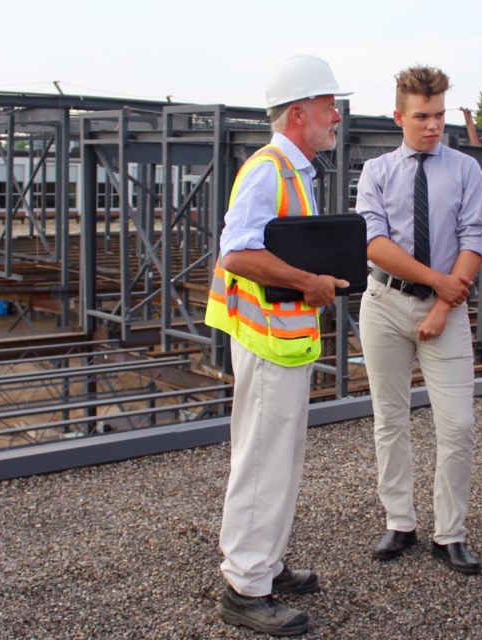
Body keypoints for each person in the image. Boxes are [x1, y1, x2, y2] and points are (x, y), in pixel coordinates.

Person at [204, 54, 351, 636]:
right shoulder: (269, 169)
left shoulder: (296, 170)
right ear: (298, 113)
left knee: (279, 458)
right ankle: (245, 586)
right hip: (267, 343)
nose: (335, 116)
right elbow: (236, 252)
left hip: (282, 342)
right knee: (263, 462)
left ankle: (265, 565)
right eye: (327, 106)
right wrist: (309, 282)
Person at [355, 66, 482, 575]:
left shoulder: (465, 169)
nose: (433, 126)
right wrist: (438, 282)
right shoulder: (377, 171)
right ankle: (400, 522)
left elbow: (475, 237)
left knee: (457, 424)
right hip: (384, 303)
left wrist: (440, 305)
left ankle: (449, 533)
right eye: (422, 116)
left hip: (446, 310)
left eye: (439, 116)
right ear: (399, 117)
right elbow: (373, 243)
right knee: (389, 419)